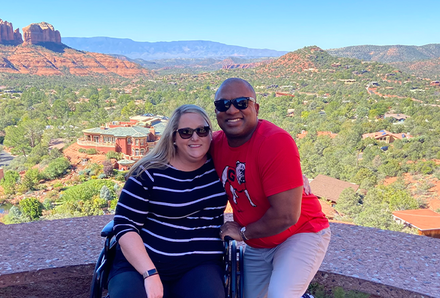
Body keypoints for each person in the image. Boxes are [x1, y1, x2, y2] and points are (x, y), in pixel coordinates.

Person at [211, 78, 331, 298]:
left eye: (241, 102)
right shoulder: (215, 144)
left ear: (255, 108)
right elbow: (182, 150)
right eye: (223, 105)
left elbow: (286, 216)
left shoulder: (274, 142)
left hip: (301, 232)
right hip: (259, 241)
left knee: (281, 294)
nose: (232, 110)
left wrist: (243, 232)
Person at [108, 104, 227, 298]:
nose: (195, 137)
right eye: (186, 132)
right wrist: (150, 274)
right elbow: (124, 224)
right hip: (142, 264)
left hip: (200, 264)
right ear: (173, 137)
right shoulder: (148, 172)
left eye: (202, 130)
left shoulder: (221, 166)